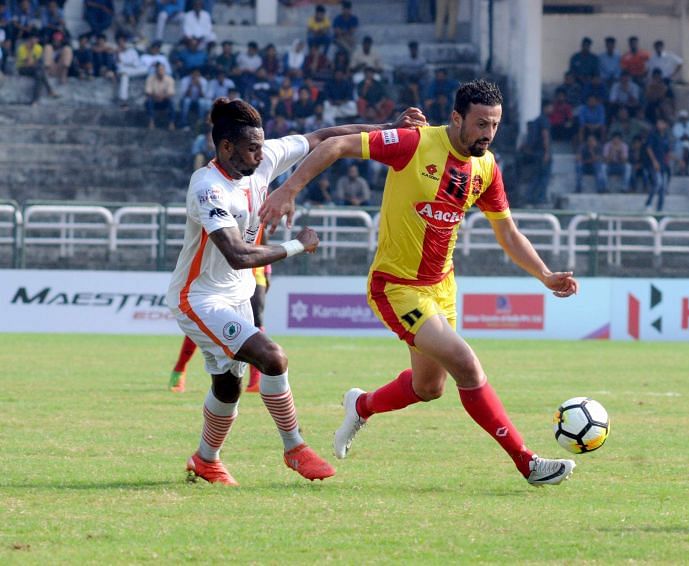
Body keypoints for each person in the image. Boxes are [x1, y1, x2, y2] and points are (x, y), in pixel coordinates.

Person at [260, 79, 579, 487]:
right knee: (466, 363)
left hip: (442, 287)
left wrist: (545, 274)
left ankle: (361, 405)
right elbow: (335, 146)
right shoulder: (412, 143)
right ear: (456, 118)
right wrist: (289, 189)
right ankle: (527, 462)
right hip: (396, 286)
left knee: (430, 388)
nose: (487, 133)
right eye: (481, 123)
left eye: (495, 125)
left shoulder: (486, 166)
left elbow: (509, 233)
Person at [167, 97, 426, 486]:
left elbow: (325, 137)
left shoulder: (263, 157)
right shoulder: (207, 188)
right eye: (252, 148)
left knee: (228, 384)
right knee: (273, 357)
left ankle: (206, 460)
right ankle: (295, 447)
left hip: (236, 295)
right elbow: (237, 254)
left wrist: (389, 128)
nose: (261, 154)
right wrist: (297, 246)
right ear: (226, 148)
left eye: (261, 145)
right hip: (199, 298)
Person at [169, 265, 272, 393]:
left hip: (255, 275)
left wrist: (267, 272)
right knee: (202, 324)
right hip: (221, 276)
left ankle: (254, 382)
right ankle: (180, 369)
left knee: (256, 324)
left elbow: (261, 244)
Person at [519, 101, 552, 207]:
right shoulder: (544, 120)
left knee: (537, 176)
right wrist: (547, 152)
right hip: (543, 153)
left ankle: (530, 197)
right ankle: (540, 199)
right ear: (546, 107)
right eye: (550, 107)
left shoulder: (537, 121)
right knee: (543, 177)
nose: (552, 109)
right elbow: (545, 136)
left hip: (536, 153)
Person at [16, 32, 57, 104]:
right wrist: (29, 50)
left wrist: (34, 63)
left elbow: (36, 62)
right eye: (33, 39)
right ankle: (50, 91)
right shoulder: (21, 48)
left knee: (39, 74)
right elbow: (28, 63)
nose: (34, 41)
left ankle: (35, 100)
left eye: (36, 39)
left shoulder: (39, 48)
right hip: (22, 68)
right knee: (39, 72)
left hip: (35, 68)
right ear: (29, 39)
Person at [644, 117, 671, 212]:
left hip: (663, 165)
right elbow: (649, 149)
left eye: (661, 123)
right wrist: (654, 161)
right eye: (658, 123)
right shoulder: (653, 135)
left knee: (663, 188)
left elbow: (667, 151)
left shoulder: (666, 136)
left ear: (665, 125)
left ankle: (660, 209)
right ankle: (648, 203)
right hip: (654, 164)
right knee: (657, 183)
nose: (659, 125)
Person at [115, 34, 148, 108]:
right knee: (124, 76)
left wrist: (127, 64)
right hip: (124, 71)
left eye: (123, 41)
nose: (121, 44)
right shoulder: (117, 53)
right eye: (119, 42)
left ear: (125, 42)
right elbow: (119, 67)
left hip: (134, 70)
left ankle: (146, 96)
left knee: (148, 70)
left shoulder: (132, 51)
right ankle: (123, 101)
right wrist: (118, 55)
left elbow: (136, 64)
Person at [144, 62, 176, 130]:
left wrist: (163, 96)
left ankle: (171, 123)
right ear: (156, 70)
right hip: (154, 100)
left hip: (164, 100)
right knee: (148, 100)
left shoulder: (169, 79)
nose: (160, 71)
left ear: (164, 70)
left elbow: (171, 92)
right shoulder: (150, 78)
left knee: (171, 101)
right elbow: (148, 91)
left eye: (162, 69)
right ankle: (151, 122)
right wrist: (156, 96)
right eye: (159, 70)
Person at [672, 110, 689, 176]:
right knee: (682, 152)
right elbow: (680, 137)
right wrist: (686, 136)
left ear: (687, 118)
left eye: (685, 118)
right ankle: (681, 170)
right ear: (680, 118)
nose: (684, 119)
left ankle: (687, 170)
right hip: (679, 146)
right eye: (682, 118)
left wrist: (686, 136)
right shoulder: (676, 126)